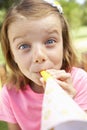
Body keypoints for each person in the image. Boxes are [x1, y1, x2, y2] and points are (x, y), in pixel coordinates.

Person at [0, 0, 87, 130]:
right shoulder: (9, 94)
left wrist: (66, 104)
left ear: (64, 46)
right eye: (24, 46)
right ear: (12, 55)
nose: (39, 56)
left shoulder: (80, 82)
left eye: (50, 41)